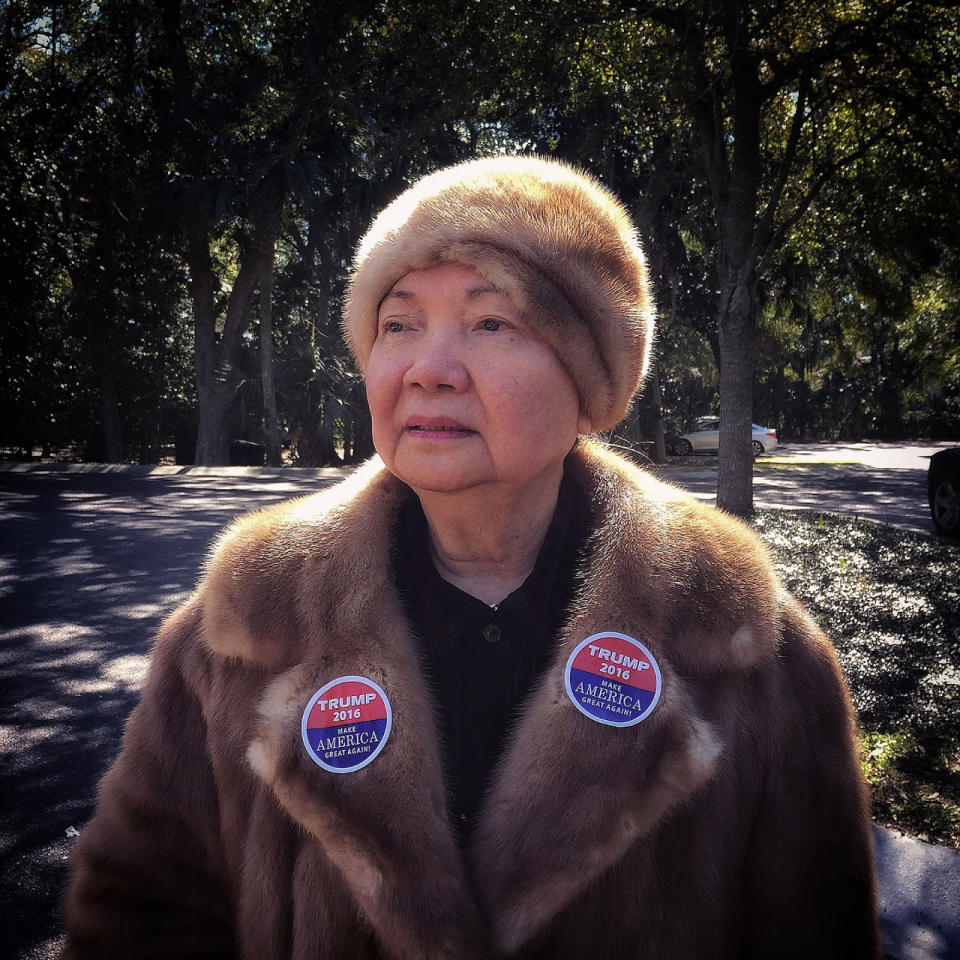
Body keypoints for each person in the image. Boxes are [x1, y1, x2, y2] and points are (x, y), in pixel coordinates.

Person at [62, 156, 881, 959]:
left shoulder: (751, 657)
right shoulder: (240, 632)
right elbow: (135, 915)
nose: (428, 370)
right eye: (398, 324)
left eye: (492, 322)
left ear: (590, 377)